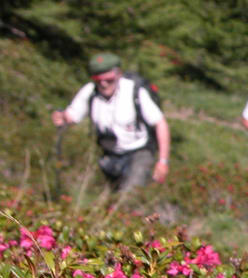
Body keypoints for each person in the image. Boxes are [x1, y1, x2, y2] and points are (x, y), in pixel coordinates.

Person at [51, 52, 170, 192]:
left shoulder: (134, 91)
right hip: (109, 155)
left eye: (108, 79)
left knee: (128, 197)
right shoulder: (89, 92)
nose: (103, 83)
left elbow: (160, 123)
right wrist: (61, 117)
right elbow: (71, 117)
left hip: (139, 152)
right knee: (108, 197)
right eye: (98, 79)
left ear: (118, 73)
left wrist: (163, 161)